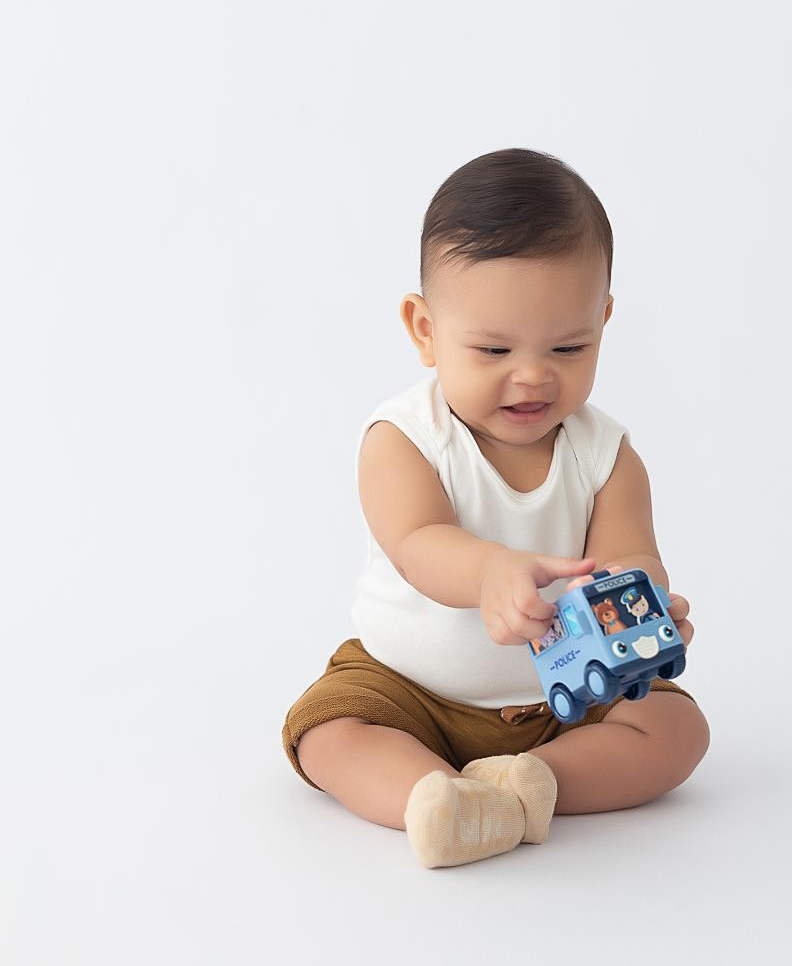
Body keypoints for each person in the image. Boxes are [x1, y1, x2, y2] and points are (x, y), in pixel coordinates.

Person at [281, 148, 710, 868]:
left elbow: (630, 553)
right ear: (425, 329)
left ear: (603, 319)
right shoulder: (406, 439)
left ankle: (526, 785)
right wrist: (491, 575)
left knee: (676, 732)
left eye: (568, 346)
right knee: (330, 731)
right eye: (492, 349)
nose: (533, 376)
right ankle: (433, 795)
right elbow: (418, 542)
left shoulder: (606, 455)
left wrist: (645, 606)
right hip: (410, 689)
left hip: (564, 703)